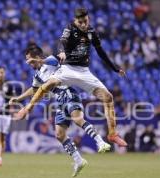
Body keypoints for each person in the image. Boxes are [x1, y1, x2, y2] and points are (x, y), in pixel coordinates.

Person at [15, 8, 127, 147]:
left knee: (108, 97)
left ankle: (112, 134)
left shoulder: (92, 32)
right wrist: (61, 52)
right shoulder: (70, 28)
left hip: (84, 71)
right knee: (48, 84)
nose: (83, 25)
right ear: (75, 21)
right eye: (80, 22)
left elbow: (101, 52)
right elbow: (62, 41)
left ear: (88, 19)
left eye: (85, 21)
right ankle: (28, 108)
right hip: (68, 69)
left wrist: (115, 68)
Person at [10, 45, 111, 177]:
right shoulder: (37, 76)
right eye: (27, 60)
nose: (29, 63)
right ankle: (79, 160)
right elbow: (35, 90)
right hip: (60, 102)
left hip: (68, 93)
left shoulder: (50, 61)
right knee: (59, 134)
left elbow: (55, 61)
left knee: (78, 119)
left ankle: (100, 142)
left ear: (38, 57)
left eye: (30, 60)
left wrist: (40, 61)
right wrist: (19, 98)